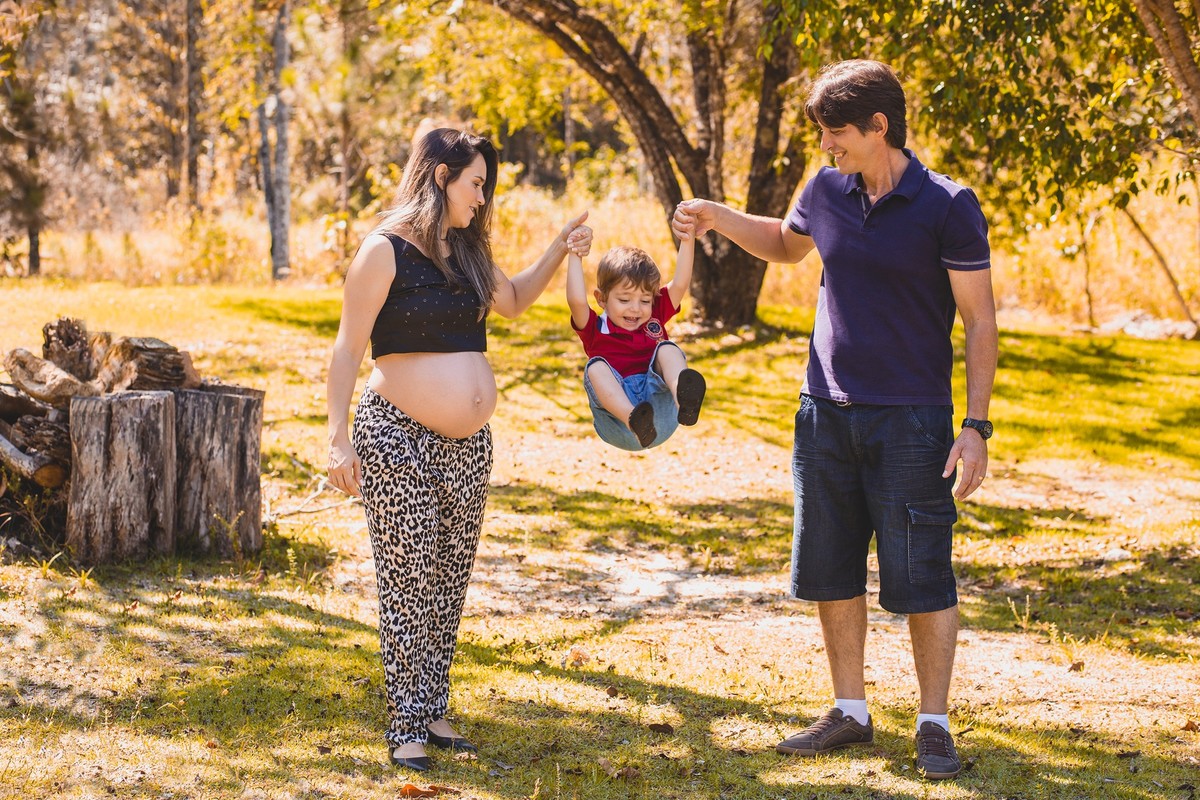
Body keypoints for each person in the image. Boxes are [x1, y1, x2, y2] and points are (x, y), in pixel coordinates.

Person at [672, 59, 997, 780]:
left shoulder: (948, 204)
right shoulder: (824, 188)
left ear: (880, 125)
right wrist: (717, 216)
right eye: (823, 134)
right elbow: (787, 246)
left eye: (837, 133)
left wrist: (976, 426)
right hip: (823, 413)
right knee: (831, 569)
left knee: (922, 574)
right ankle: (849, 712)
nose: (828, 146)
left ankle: (934, 723)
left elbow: (979, 322)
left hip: (912, 421)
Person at [325, 128, 591, 772]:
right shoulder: (383, 251)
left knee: (448, 578)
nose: (482, 197)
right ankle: (407, 726)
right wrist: (335, 439)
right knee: (408, 579)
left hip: (469, 448)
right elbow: (346, 350)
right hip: (397, 436)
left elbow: (518, 301)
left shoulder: (468, 252)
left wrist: (560, 246)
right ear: (442, 175)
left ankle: (434, 710)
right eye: (476, 183)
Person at [566, 231, 706, 450]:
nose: (635, 308)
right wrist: (575, 254)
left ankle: (685, 401)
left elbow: (680, 283)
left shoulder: (655, 315)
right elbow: (576, 300)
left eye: (645, 300)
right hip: (618, 423)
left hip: (662, 412)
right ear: (601, 299)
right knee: (595, 366)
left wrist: (687, 238)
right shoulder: (594, 328)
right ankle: (633, 418)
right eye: (624, 299)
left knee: (667, 349)